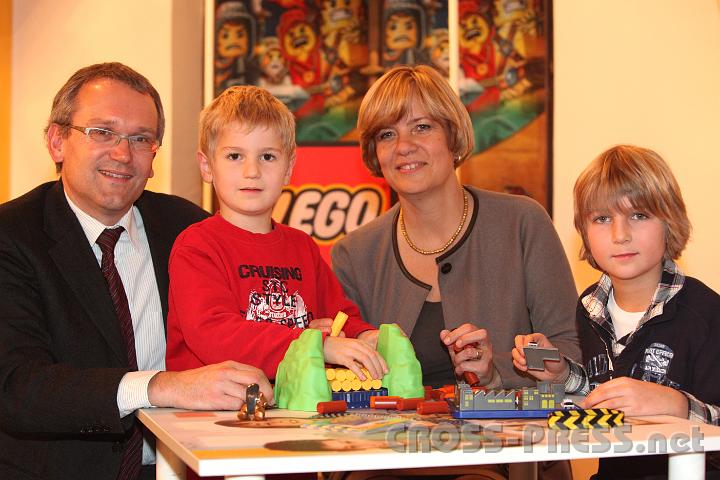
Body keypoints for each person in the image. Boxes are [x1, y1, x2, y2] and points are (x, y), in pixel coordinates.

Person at [0, 62, 273, 480]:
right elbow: (17, 387)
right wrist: (160, 386)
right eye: (102, 132)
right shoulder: (12, 236)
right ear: (57, 141)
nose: (123, 154)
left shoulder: (190, 230)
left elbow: (250, 317)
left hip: (184, 467)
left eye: (141, 139)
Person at [331, 64, 578, 479]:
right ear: (375, 153)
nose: (404, 146)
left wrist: (497, 369)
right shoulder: (354, 254)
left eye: (422, 127)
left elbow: (567, 351)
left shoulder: (522, 224)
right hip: (383, 459)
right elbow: (340, 381)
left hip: (499, 458)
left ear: (453, 137)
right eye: (387, 134)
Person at [512, 145, 720, 478]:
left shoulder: (706, 314)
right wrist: (563, 375)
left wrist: (678, 406)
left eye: (639, 215)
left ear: (670, 222)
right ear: (584, 231)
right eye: (602, 218)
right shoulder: (589, 307)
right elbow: (603, 399)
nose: (620, 235)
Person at [165, 85, 387, 382]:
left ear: (288, 167)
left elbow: (341, 315)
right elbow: (216, 335)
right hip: (210, 416)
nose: (252, 171)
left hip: (291, 410)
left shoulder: (302, 247)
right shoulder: (196, 246)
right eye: (234, 157)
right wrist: (317, 346)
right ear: (207, 166)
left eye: (268, 157)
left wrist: (366, 336)